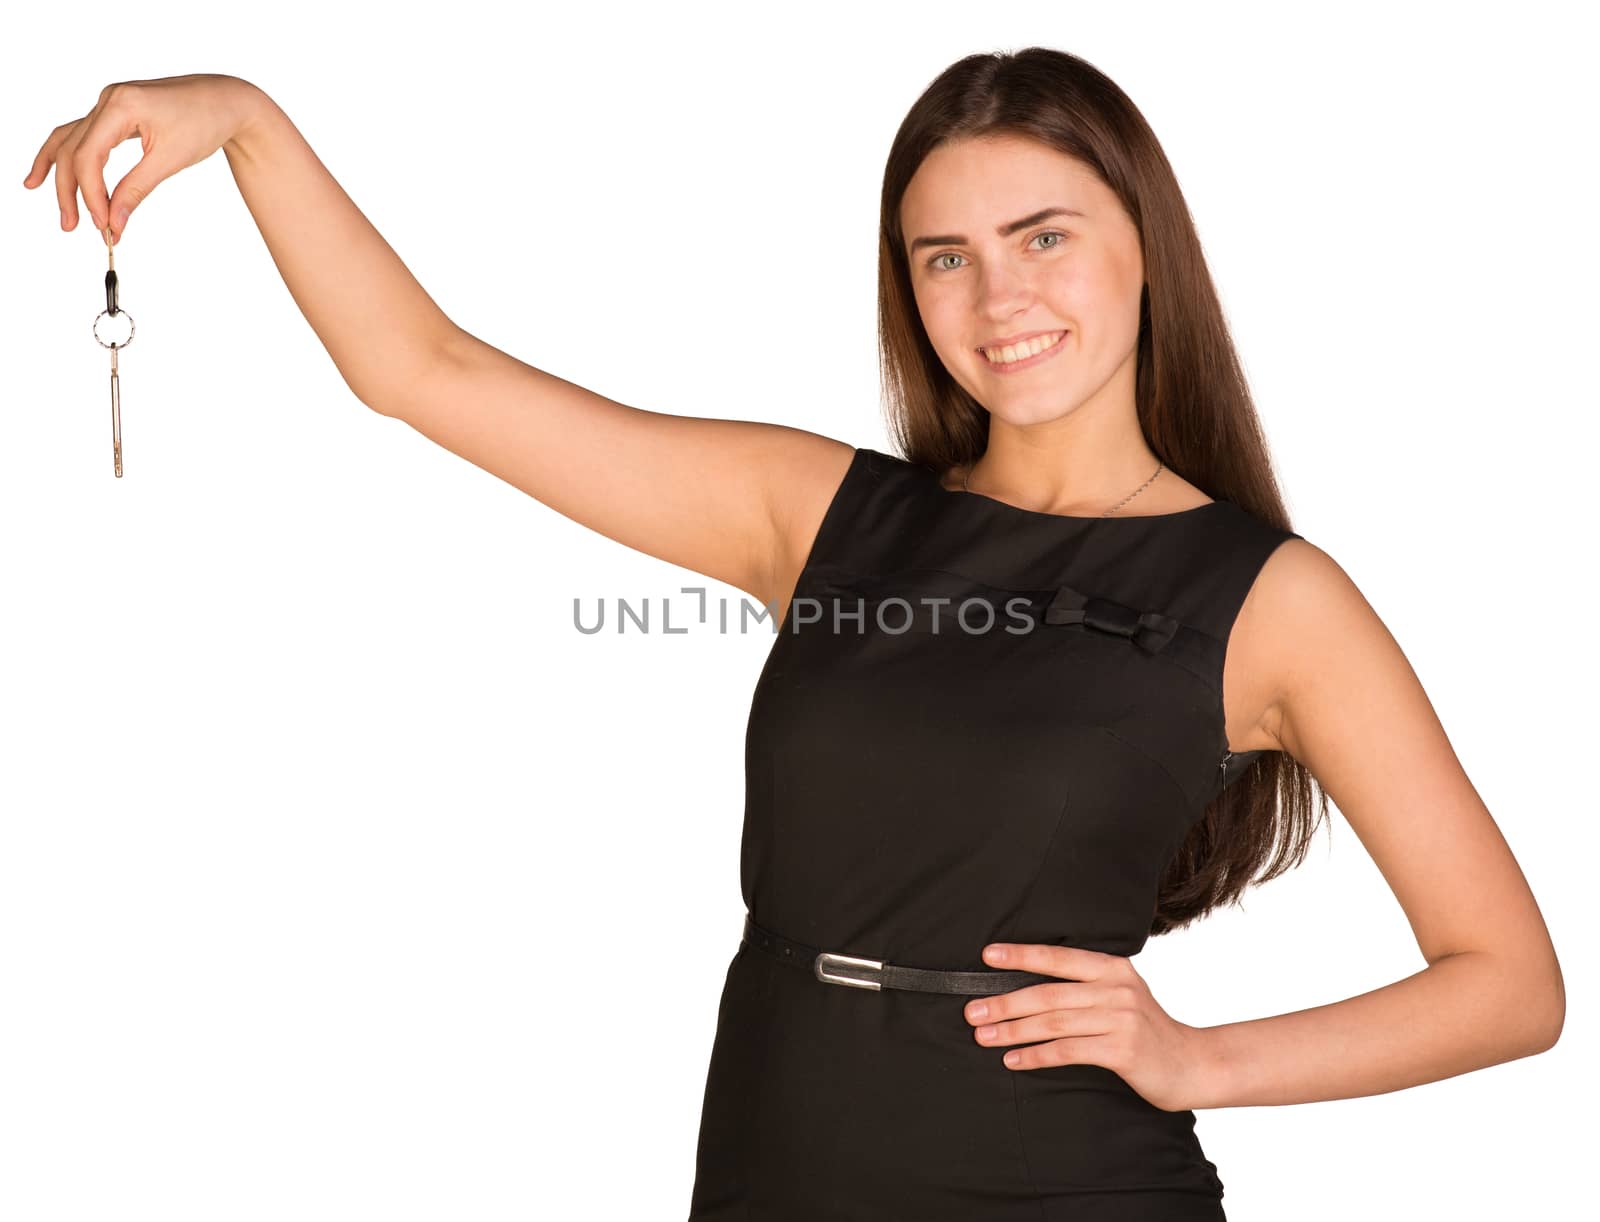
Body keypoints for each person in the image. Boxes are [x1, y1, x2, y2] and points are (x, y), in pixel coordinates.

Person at [26, 48, 1564, 1220]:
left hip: (1064, 1183)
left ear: (1145, 244)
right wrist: (244, 119)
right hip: (770, 1158)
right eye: (942, 255)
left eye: (1043, 237)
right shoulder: (820, 513)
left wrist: (1199, 1056)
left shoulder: (1272, 598)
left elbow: (1510, 979)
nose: (994, 296)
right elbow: (425, 370)